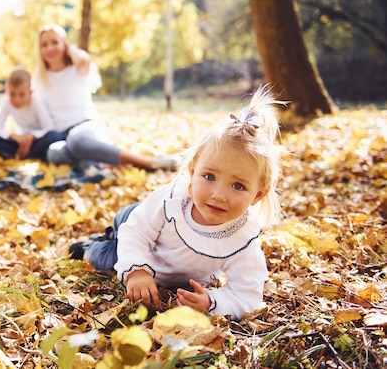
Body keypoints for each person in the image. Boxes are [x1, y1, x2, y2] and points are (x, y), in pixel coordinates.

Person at [69, 88, 285, 320]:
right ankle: (93, 244)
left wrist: (212, 303)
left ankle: (103, 244)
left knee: (110, 253)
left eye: (238, 186)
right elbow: (137, 232)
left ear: (257, 196)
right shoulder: (171, 201)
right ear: (192, 172)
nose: (219, 195)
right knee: (107, 254)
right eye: (209, 177)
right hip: (140, 227)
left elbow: (248, 296)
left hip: (165, 264)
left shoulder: (242, 239)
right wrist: (137, 272)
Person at [32, 24, 176, 170]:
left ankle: (148, 162)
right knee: (54, 153)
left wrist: (70, 50)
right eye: (44, 45)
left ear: (65, 44)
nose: (50, 48)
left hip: (85, 126)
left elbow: (84, 60)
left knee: (77, 141)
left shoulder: (77, 68)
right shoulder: (38, 80)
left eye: (55, 42)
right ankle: (100, 163)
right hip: (62, 135)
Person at [0, 67, 64, 161]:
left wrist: (32, 136)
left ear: (30, 92)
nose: (17, 100)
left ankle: (21, 155)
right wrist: (13, 136)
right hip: (18, 141)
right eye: (12, 94)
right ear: (7, 91)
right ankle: (25, 154)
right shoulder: (7, 101)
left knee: (55, 136)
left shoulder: (35, 101)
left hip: (36, 140)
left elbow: (49, 127)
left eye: (22, 95)